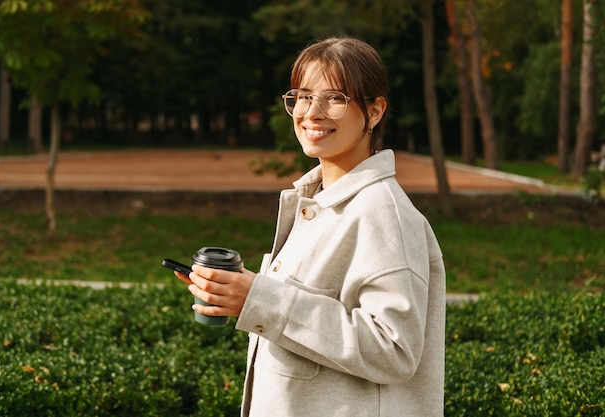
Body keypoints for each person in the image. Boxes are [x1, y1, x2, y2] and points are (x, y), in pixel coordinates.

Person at [175, 36, 445, 417]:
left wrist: (260, 299)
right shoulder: (317, 201)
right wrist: (238, 296)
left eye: (334, 98)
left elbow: (394, 351)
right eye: (302, 96)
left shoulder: (383, 214)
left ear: (375, 110)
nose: (312, 112)